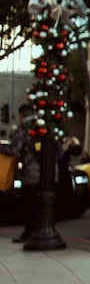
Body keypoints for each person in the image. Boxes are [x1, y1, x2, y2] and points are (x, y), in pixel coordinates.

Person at [1, 104, 40, 243]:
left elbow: (13, 149)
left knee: (28, 204)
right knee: (38, 205)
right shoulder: (42, 126)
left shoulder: (23, 128)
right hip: (46, 174)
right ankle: (36, 230)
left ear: (22, 115)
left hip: (30, 173)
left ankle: (29, 232)